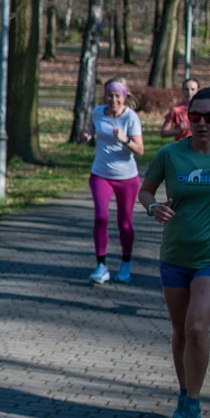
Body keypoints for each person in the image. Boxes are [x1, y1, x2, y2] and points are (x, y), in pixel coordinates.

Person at [139, 88, 210, 418]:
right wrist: (152, 207)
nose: (202, 124)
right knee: (181, 330)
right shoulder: (171, 155)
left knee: (197, 326)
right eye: (195, 116)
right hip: (175, 256)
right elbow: (145, 190)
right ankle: (184, 392)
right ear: (188, 118)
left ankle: (193, 406)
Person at [83, 78, 144, 285]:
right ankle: (101, 266)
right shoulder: (98, 112)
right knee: (101, 217)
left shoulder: (131, 118)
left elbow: (141, 150)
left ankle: (125, 264)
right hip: (100, 174)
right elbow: (94, 130)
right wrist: (88, 136)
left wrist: (125, 139)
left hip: (127, 177)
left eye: (117, 95)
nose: (113, 99)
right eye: (110, 95)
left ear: (124, 97)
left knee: (124, 223)